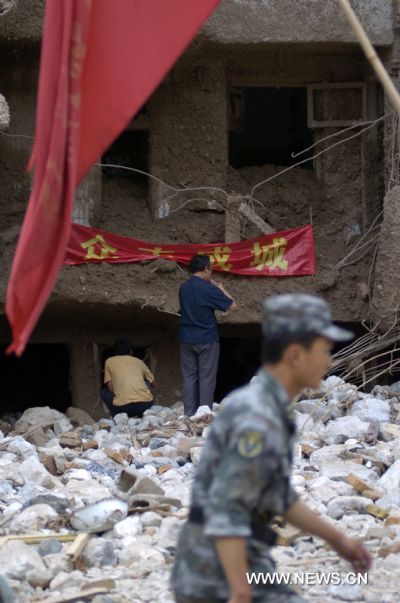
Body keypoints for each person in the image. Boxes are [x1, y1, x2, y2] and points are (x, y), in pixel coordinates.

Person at [171, 294, 372, 603]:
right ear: (295, 354)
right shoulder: (257, 415)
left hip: (243, 561)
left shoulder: (275, 410)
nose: (330, 361)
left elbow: (276, 494)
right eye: (324, 351)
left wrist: (339, 540)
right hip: (213, 571)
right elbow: (228, 505)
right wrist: (239, 592)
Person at [179, 255, 238, 416]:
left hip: (186, 339)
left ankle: (189, 414)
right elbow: (232, 306)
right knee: (206, 378)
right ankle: (203, 415)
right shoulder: (208, 289)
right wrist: (220, 288)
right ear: (206, 269)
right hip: (207, 339)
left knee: (189, 378)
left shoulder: (184, 287)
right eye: (210, 269)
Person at [101, 338, 155, 418]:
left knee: (104, 392)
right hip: (145, 406)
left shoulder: (109, 361)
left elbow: (110, 388)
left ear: (115, 352)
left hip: (123, 408)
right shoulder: (139, 361)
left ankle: (118, 417)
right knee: (146, 383)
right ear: (131, 351)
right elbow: (153, 383)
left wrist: (120, 388)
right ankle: (143, 416)